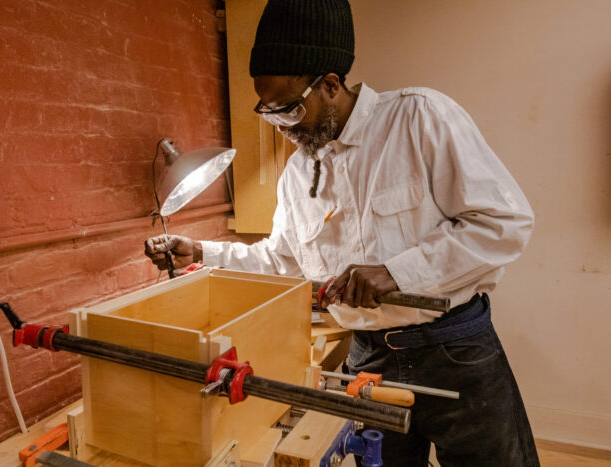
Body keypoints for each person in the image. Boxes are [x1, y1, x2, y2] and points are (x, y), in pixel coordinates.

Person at [145, 1, 539, 465]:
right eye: (269, 114)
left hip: (454, 349)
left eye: (289, 109)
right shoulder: (297, 172)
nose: (283, 129)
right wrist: (203, 251)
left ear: (330, 85)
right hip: (369, 360)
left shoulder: (419, 119)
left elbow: (504, 224)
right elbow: (282, 260)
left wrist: (396, 272)